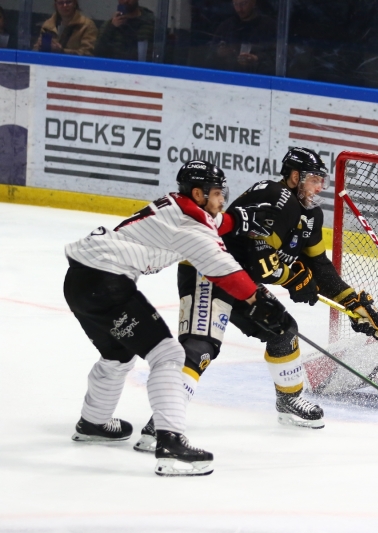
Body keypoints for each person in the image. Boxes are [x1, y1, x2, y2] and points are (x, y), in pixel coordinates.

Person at [132, 148, 378, 452]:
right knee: (199, 348)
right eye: (315, 179)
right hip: (207, 269)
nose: (320, 187)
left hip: (239, 279)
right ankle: (162, 423)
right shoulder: (272, 195)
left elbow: (320, 267)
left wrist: (351, 302)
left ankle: (288, 399)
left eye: (322, 180)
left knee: (283, 330)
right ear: (295, 177)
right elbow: (256, 259)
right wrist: (292, 278)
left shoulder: (310, 215)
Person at [64, 160, 288, 476]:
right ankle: (170, 443)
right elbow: (228, 274)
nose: (222, 198)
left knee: (118, 353)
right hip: (106, 283)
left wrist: (238, 219)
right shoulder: (191, 230)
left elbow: (210, 222)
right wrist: (263, 303)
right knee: (169, 354)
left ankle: (93, 421)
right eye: (217, 193)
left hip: (79, 281)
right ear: (198, 193)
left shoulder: (173, 205)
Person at [207, 0, 276, 74]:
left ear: (253, 2)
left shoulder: (269, 26)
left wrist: (257, 58)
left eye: (243, 3)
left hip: (259, 79)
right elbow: (209, 57)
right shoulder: (226, 26)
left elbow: (282, 57)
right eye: (235, 4)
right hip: (229, 77)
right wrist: (219, 53)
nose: (239, 9)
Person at [33, 0, 97, 56]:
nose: (64, 5)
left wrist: (62, 51)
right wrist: (39, 47)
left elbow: (88, 53)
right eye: (60, 3)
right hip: (49, 65)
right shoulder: (47, 25)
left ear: (75, 3)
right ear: (56, 5)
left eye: (68, 2)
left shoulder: (87, 25)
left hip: (75, 67)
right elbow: (35, 51)